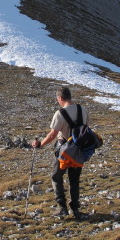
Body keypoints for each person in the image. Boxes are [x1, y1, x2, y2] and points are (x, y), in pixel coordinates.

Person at [32, 87, 90, 219]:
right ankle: (75, 209)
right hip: (79, 151)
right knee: (74, 180)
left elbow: (53, 134)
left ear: (60, 98)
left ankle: (61, 206)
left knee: (56, 176)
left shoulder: (60, 113)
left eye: (58, 99)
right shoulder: (83, 110)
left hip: (64, 151)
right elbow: (87, 129)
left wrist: (40, 143)